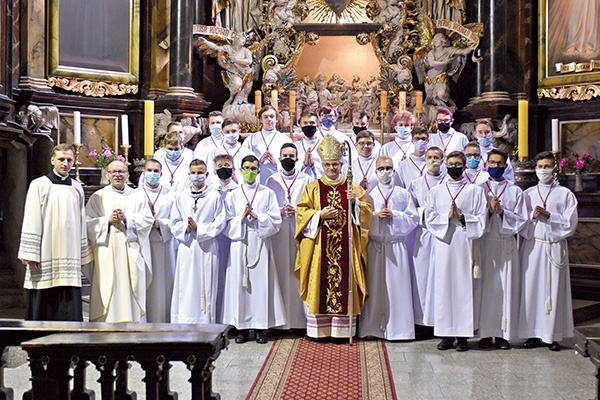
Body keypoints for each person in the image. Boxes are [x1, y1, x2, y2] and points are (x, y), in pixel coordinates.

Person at [295, 135, 372, 341]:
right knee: (320, 283)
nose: (331, 168)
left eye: (335, 164)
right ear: (322, 165)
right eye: (327, 164)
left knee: (343, 283)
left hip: (346, 247)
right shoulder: (312, 188)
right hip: (320, 248)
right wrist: (319, 215)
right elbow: (301, 212)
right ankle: (319, 331)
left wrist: (355, 204)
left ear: (341, 164)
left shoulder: (353, 188)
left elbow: (366, 213)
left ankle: (341, 331)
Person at [18, 144, 92, 321]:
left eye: (69, 160)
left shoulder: (77, 187)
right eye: (61, 159)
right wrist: (32, 253)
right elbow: (32, 218)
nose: (65, 163)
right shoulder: (39, 184)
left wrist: (82, 254)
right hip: (45, 253)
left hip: (70, 252)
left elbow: (82, 221)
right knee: (45, 291)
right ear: (52, 160)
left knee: (69, 292)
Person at [424, 151, 487, 351]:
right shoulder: (435, 191)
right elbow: (429, 217)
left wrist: (462, 217)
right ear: (445, 165)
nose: (454, 167)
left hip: (464, 241)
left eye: (458, 164)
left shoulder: (475, 191)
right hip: (444, 243)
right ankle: (445, 334)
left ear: (464, 166)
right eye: (451, 163)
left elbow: (481, 217)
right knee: (443, 287)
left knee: (463, 287)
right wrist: (446, 216)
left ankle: (462, 336)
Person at [222, 155, 286, 343]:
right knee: (239, 285)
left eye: (254, 168)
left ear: (259, 171)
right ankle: (241, 327)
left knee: (261, 284)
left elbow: (276, 220)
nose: (250, 171)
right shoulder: (232, 194)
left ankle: (260, 327)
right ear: (240, 170)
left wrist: (258, 217)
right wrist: (241, 217)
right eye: (247, 167)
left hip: (260, 241)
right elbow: (225, 223)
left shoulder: (267, 193)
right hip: (239, 242)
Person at [519, 151, 578, 351]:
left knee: (553, 290)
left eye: (547, 166)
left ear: (555, 169)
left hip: (554, 245)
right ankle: (532, 334)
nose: (543, 170)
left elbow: (571, 223)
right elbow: (519, 223)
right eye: (539, 166)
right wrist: (533, 217)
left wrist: (550, 216)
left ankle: (552, 335)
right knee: (531, 289)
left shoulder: (565, 194)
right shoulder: (527, 194)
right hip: (533, 246)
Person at [359, 155, 419, 340]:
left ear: (394, 170)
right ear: (375, 172)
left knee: (396, 288)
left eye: (388, 168)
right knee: (375, 288)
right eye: (381, 169)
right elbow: (360, 218)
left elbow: (413, 218)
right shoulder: (368, 194)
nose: (385, 172)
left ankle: (399, 330)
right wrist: (376, 216)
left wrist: (395, 216)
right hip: (375, 246)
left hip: (395, 246)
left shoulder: (403, 193)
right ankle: (371, 328)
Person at [86, 160, 154, 322]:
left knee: (130, 286)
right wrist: (107, 220)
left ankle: (132, 320)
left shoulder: (137, 196)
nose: (117, 175)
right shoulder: (98, 197)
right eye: (114, 172)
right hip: (106, 251)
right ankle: (106, 321)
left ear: (127, 175)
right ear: (107, 175)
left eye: (121, 172)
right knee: (107, 284)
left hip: (130, 251)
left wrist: (128, 220)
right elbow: (87, 223)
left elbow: (147, 221)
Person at [477, 149, 528, 350]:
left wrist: (502, 212)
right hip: (486, 243)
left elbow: (522, 220)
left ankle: (503, 334)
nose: (495, 166)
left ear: (506, 166)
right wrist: (488, 212)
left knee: (506, 288)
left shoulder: (515, 191)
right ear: (486, 164)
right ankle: (484, 334)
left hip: (506, 244)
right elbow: (472, 216)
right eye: (492, 162)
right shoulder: (478, 189)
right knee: (486, 289)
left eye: (499, 163)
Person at [170, 160, 226, 323]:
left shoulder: (215, 196)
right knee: (186, 284)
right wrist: (186, 228)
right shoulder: (181, 196)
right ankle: (185, 321)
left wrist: (199, 228)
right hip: (187, 246)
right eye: (193, 173)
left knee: (206, 285)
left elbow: (220, 222)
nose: (197, 176)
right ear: (188, 175)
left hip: (207, 246)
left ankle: (205, 322)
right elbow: (174, 221)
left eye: (200, 172)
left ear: (207, 174)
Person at [265, 143, 312, 330]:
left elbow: (311, 207)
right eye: (284, 155)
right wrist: (280, 210)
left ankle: (301, 320)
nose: (287, 159)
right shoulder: (271, 180)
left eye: (291, 156)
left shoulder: (306, 180)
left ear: (297, 159)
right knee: (281, 273)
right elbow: (267, 208)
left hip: (300, 232)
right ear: (279, 158)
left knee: (299, 274)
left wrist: (298, 211)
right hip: (279, 233)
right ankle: (280, 321)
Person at [408, 146, 446, 333]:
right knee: (421, 278)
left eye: (436, 157)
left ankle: (441, 320)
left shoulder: (448, 182)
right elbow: (411, 209)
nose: (433, 160)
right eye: (429, 157)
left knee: (441, 278)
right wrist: (428, 214)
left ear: (443, 159)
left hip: (444, 236)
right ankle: (421, 322)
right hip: (423, 235)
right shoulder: (416, 183)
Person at [138, 158, 177, 323]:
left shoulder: (170, 194)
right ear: (144, 172)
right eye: (149, 170)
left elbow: (175, 219)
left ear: (161, 174)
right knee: (146, 282)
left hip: (163, 243)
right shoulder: (135, 194)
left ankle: (164, 319)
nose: (152, 174)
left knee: (163, 283)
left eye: (156, 171)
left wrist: (160, 223)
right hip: (143, 243)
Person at [210, 154, 239, 322]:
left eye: (227, 165)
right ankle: (215, 316)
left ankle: (230, 317)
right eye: (219, 165)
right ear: (214, 169)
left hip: (232, 238)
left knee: (231, 276)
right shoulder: (209, 190)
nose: (223, 168)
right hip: (213, 238)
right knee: (214, 276)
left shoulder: (239, 190)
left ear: (233, 168)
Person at [197, 34, 254, 105]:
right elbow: (215, 47)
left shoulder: (246, 51)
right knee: (237, 84)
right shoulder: (228, 48)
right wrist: (205, 41)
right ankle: (232, 98)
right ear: (236, 39)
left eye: (244, 39)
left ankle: (242, 101)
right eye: (242, 39)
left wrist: (236, 60)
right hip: (234, 73)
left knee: (246, 90)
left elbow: (249, 61)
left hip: (246, 73)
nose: (243, 41)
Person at [242, 105, 293, 184]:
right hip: (258, 179)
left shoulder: (285, 140)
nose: (269, 119)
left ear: (276, 119)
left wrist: (277, 163)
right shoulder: (251, 139)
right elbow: (244, 160)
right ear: (260, 119)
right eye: (265, 117)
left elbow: (292, 161)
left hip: (279, 179)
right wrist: (259, 161)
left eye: (272, 116)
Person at [206, 118, 254, 182]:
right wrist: (224, 181)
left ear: (239, 131)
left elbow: (252, 175)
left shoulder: (248, 153)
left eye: (234, 131)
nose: (231, 134)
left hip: (242, 188)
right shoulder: (213, 153)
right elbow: (210, 175)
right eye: (227, 132)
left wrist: (238, 180)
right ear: (222, 133)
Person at [296, 111, 324, 180]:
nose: (308, 125)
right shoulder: (295, 146)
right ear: (300, 125)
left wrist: (313, 165)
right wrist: (304, 165)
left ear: (317, 125)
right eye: (305, 123)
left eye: (312, 123)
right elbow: (291, 169)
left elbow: (328, 169)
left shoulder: (325, 145)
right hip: (300, 184)